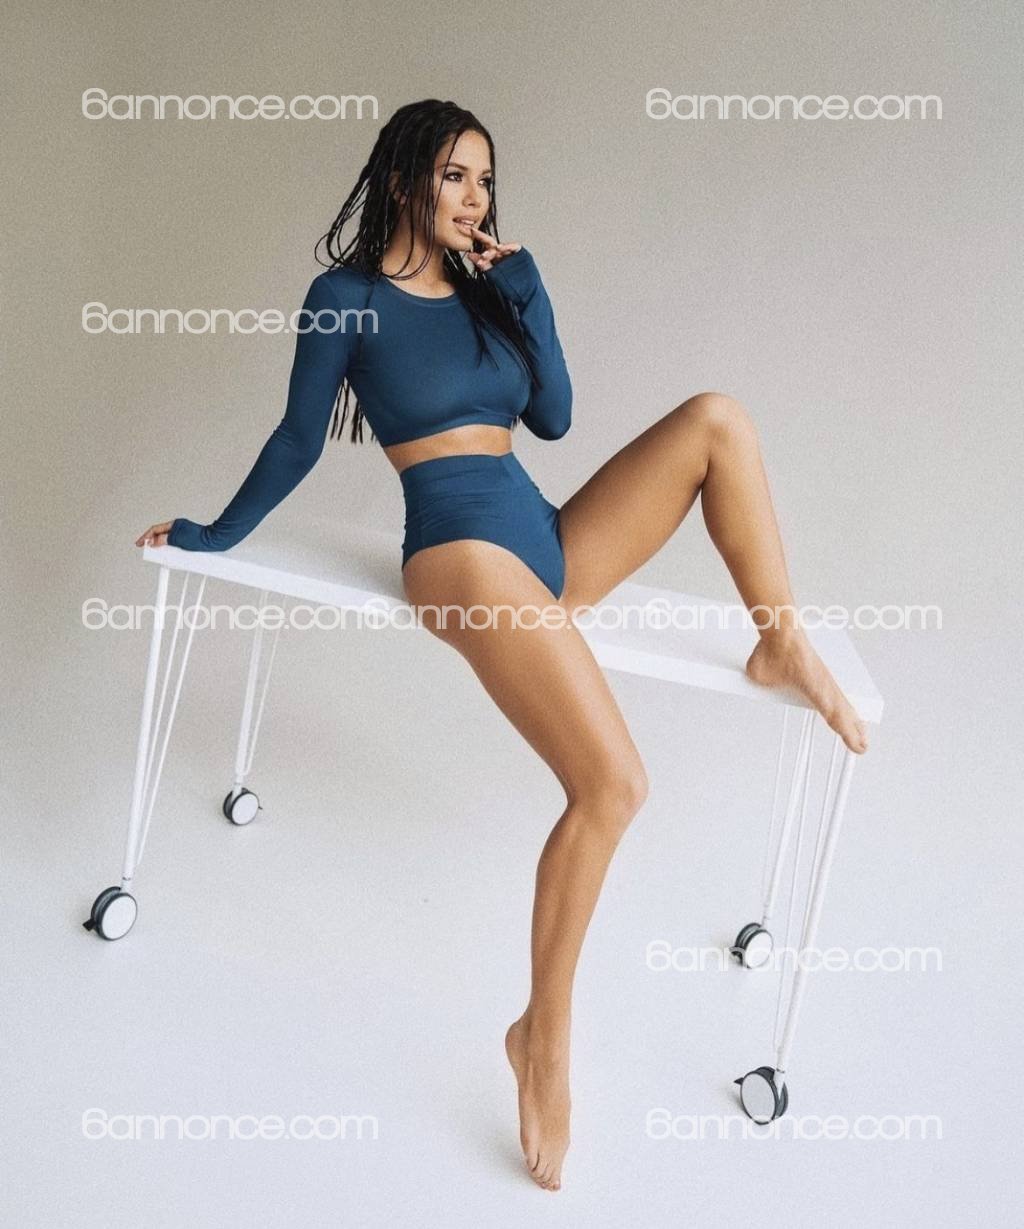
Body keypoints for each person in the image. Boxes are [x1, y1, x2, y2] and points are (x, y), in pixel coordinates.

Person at [135, 98, 869, 1192]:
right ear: (404, 181)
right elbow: (296, 438)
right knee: (613, 783)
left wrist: (527, 290)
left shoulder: (491, 291)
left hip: (545, 542)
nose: (474, 196)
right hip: (457, 552)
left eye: (484, 177)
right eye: (454, 176)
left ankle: (780, 641)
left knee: (718, 417)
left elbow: (557, 418)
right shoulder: (345, 300)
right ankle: (544, 1036)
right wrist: (212, 534)